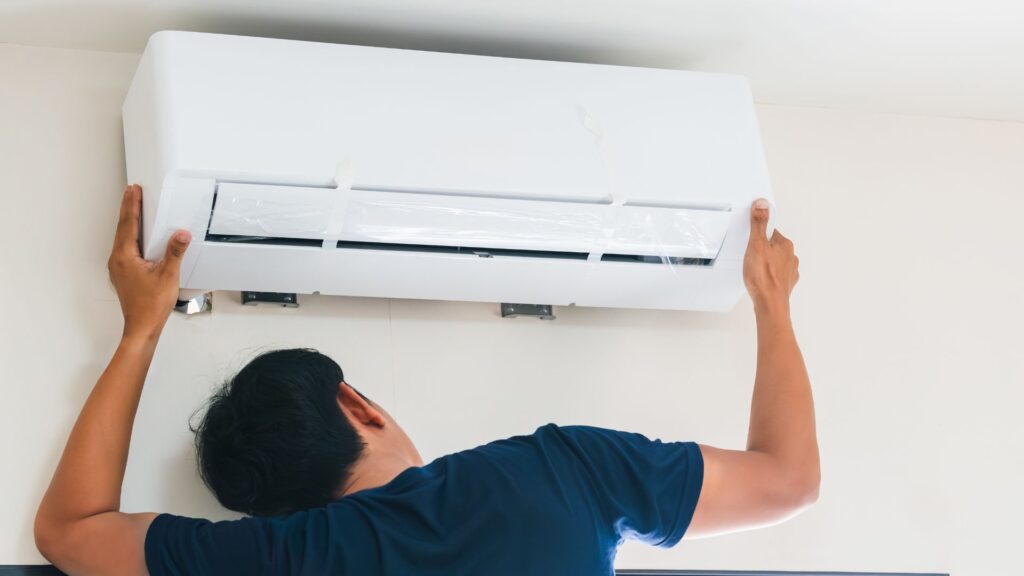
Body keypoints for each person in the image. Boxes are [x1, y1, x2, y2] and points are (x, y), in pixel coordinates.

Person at [34, 185, 819, 575]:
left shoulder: (280, 557)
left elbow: (68, 532)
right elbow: (787, 481)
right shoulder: (564, 471)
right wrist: (771, 303)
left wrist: (139, 332)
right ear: (356, 405)